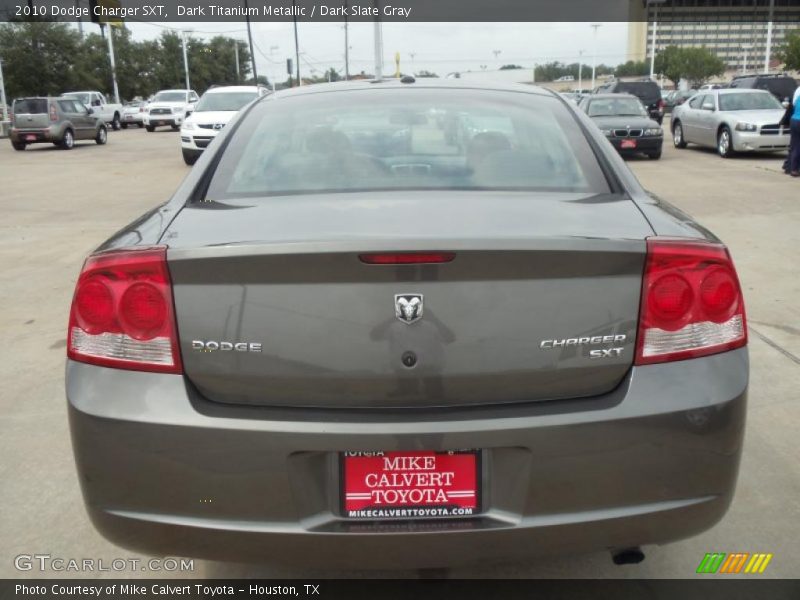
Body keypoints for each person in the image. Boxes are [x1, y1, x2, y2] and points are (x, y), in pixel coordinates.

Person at [789, 85, 800, 177]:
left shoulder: (798, 90)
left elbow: (794, 104)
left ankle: (794, 169)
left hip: (794, 120)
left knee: (796, 146)